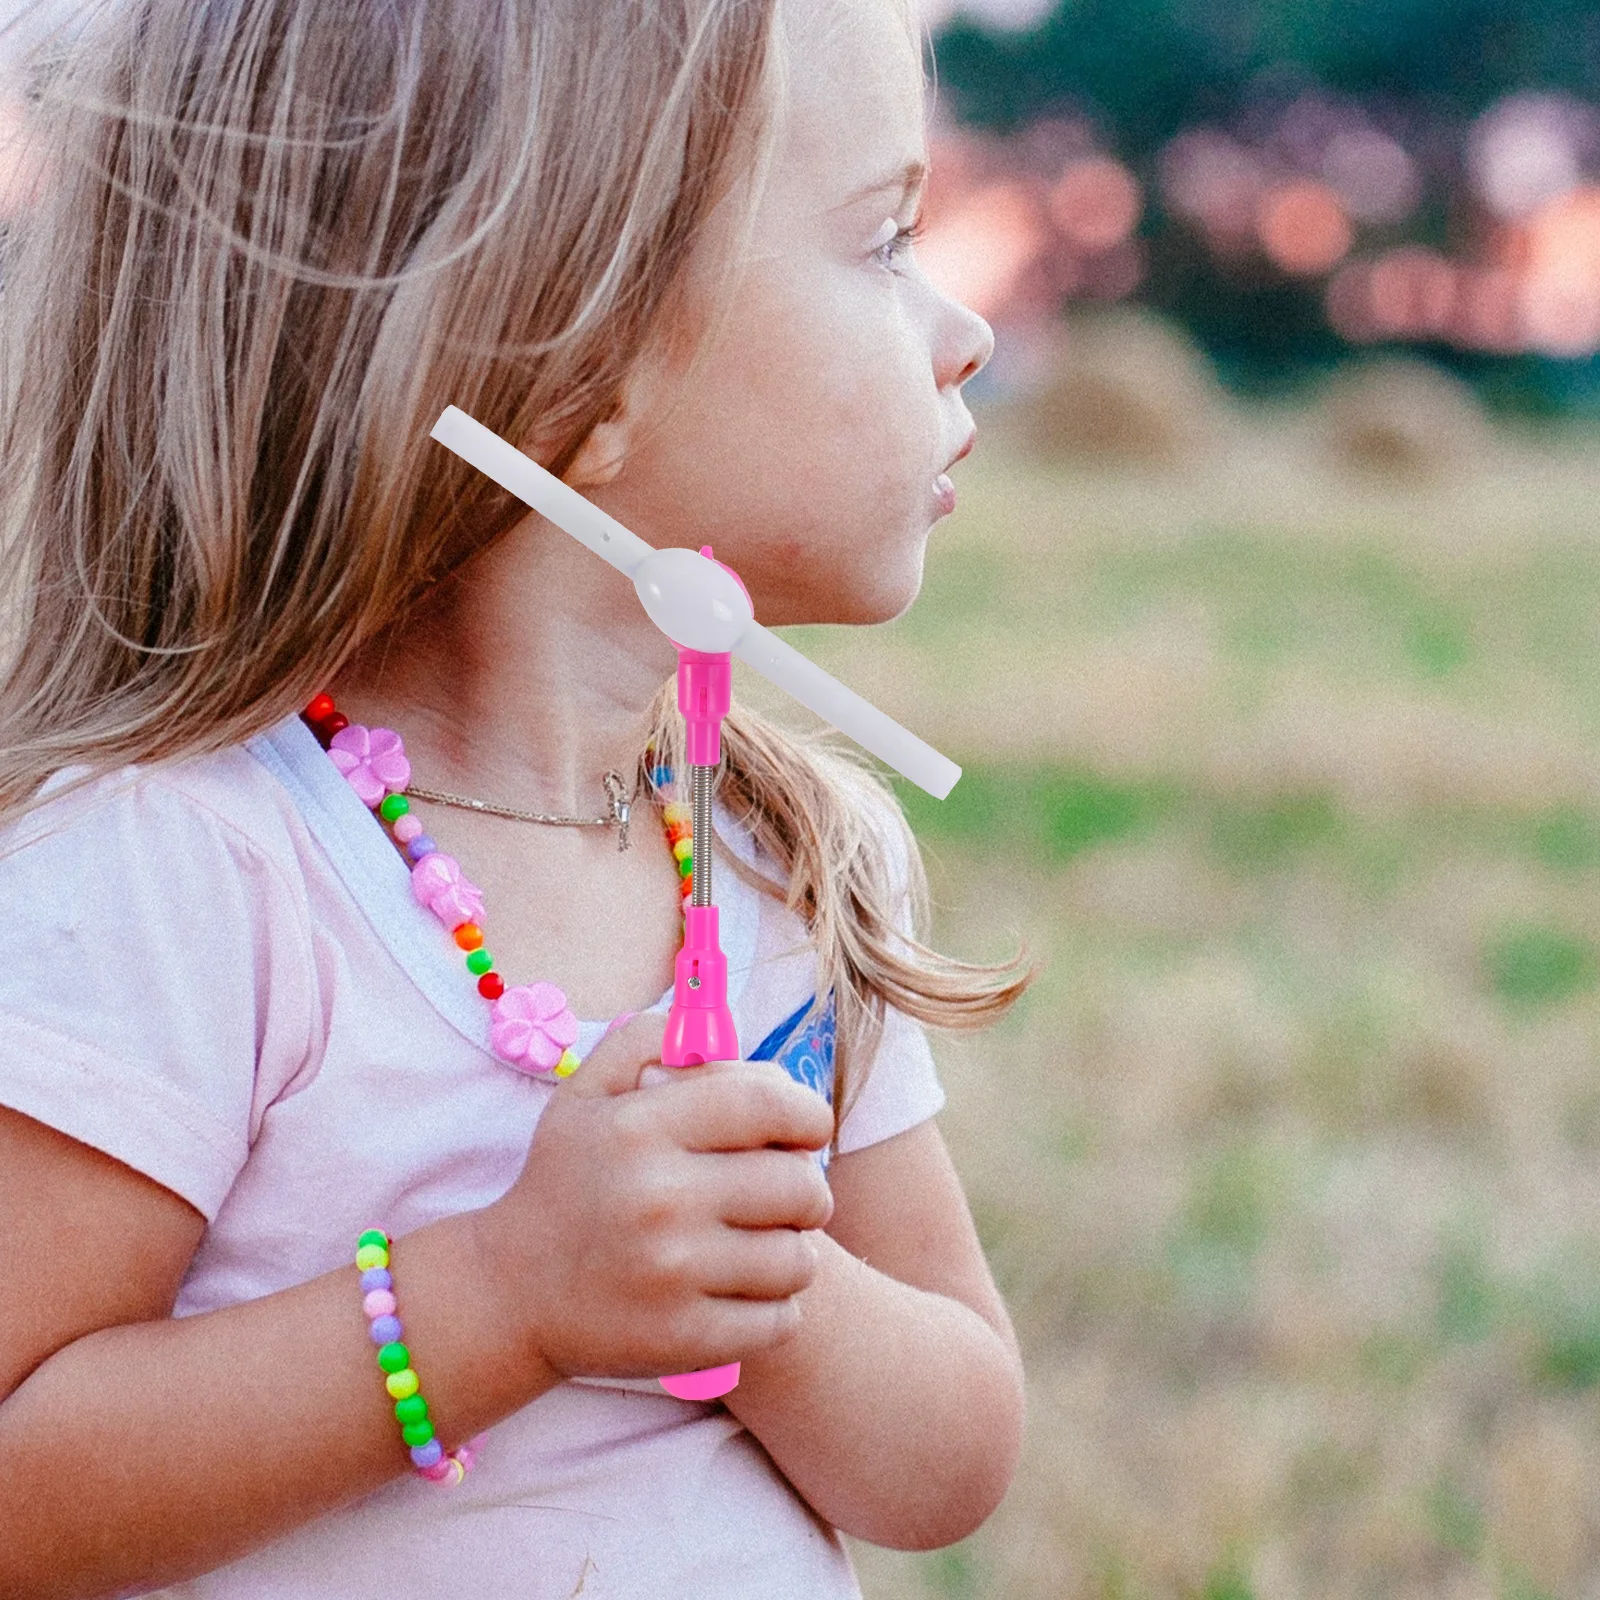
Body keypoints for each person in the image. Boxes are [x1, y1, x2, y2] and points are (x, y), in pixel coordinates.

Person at [0, 0, 1039, 1594]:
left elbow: (949, 1458)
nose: (963, 329)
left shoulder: (788, 864)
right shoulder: (183, 864)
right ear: (576, 359)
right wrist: (500, 1298)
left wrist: (749, 1289)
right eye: (883, 238)